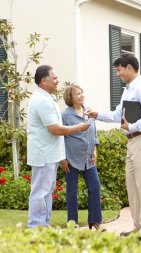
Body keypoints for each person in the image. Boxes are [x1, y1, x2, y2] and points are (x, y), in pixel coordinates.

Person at [87, 53, 141, 235]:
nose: (117, 74)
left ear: (129, 68)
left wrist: (132, 126)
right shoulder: (128, 90)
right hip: (132, 142)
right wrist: (98, 115)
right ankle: (137, 227)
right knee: (132, 187)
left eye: (119, 70)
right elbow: (118, 115)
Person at [27, 65, 90, 228]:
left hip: (50, 154)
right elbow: (54, 129)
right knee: (40, 193)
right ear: (43, 81)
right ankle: (35, 227)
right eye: (54, 78)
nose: (57, 81)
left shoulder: (48, 98)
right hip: (43, 155)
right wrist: (78, 128)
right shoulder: (42, 100)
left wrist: (61, 156)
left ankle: (43, 226)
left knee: (46, 192)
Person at [60, 85, 105, 231]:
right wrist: (62, 158)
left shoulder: (89, 111)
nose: (81, 95)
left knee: (95, 187)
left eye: (82, 93)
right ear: (70, 98)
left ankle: (95, 222)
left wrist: (95, 150)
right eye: (77, 94)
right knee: (72, 191)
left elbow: (94, 133)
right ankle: (73, 224)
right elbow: (60, 138)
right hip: (71, 158)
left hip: (88, 158)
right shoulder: (65, 116)